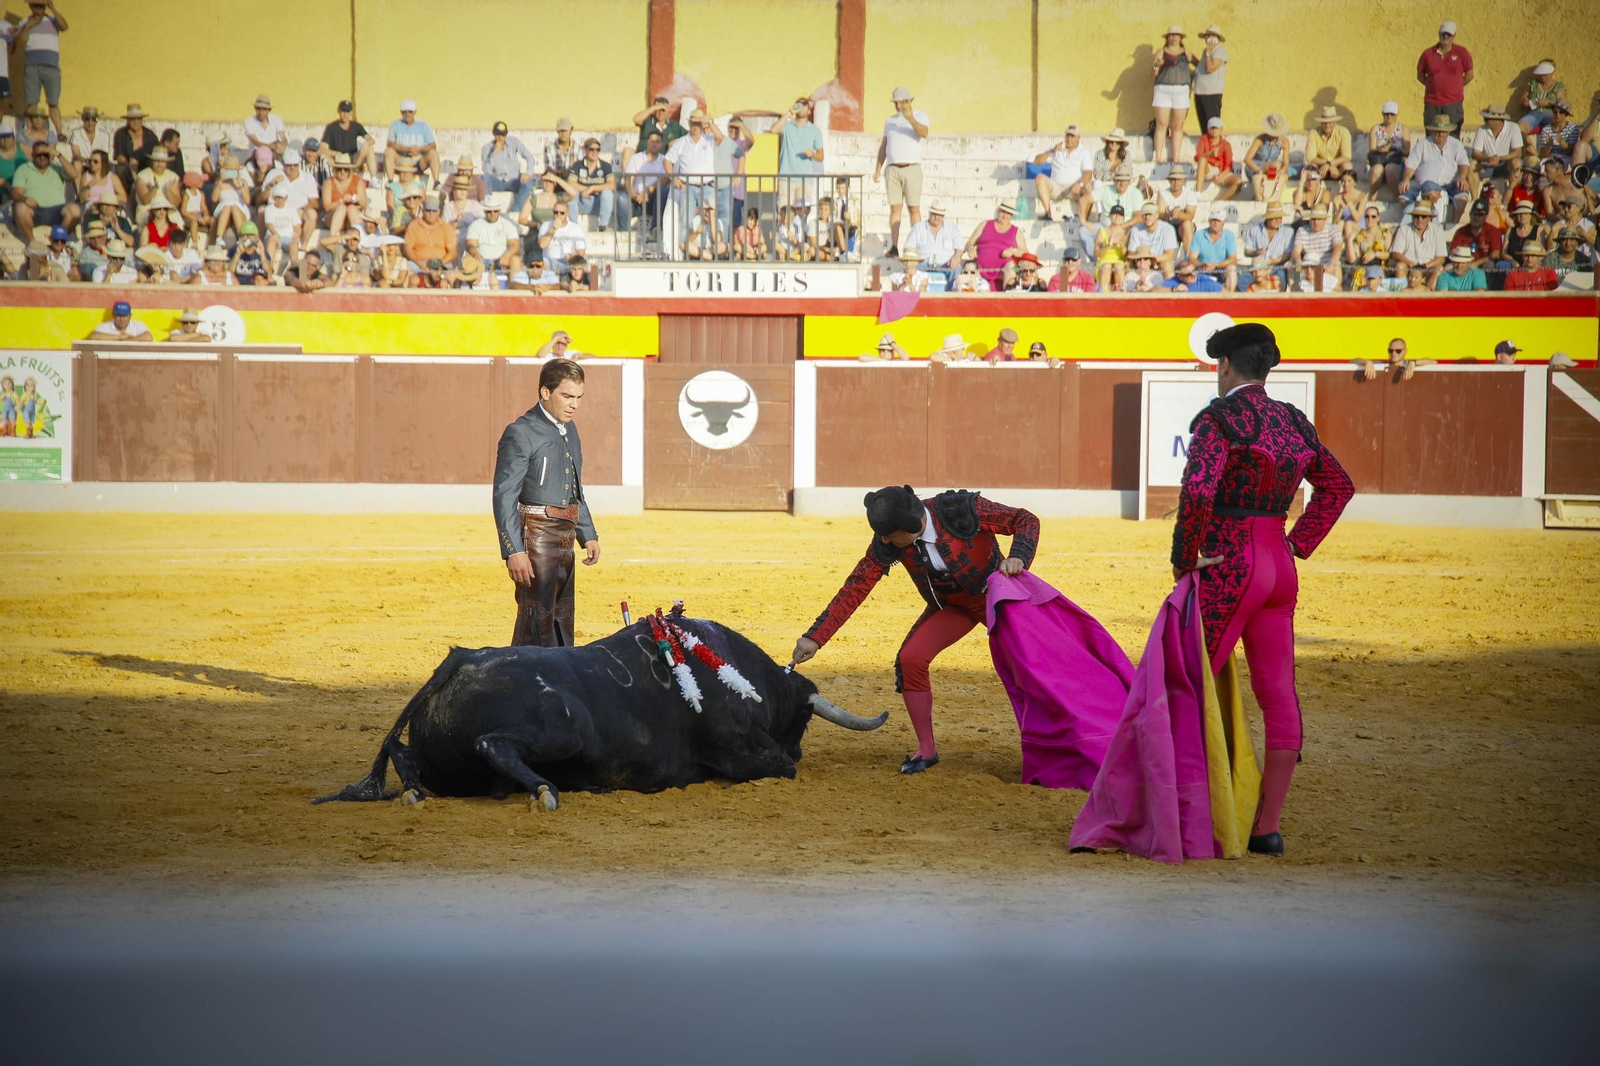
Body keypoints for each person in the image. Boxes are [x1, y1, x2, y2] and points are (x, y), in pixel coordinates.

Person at [1171, 323, 1353, 855]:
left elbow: (1199, 490)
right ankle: (1266, 827)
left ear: (1225, 366)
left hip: (1229, 562)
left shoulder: (1219, 418)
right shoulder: (1293, 419)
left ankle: (1183, 810)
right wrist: (1298, 541)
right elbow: (1338, 485)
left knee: (1186, 681)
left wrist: (1185, 556)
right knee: (1278, 694)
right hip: (1279, 562)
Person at [790, 486, 1038, 774]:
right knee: (911, 659)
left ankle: (1053, 743)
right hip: (951, 607)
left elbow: (1025, 519)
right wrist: (815, 637)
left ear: (912, 525)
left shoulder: (960, 509)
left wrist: (1018, 556)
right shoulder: (889, 540)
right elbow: (857, 586)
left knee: (1031, 666)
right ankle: (926, 750)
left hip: (997, 598)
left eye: (890, 536)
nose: (883, 541)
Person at [493, 358, 600, 647]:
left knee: (562, 618)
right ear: (545, 393)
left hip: (565, 537)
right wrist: (513, 550)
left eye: (578, 398)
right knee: (535, 621)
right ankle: (523, 687)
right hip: (536, 537)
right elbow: (504, 495)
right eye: (566, 396)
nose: (573, 404)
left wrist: (587, 534)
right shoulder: (521, 431)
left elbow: (575, 488)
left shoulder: (570, 429)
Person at [876, 86, 929, 253]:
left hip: (911, 167)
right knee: (895, 208)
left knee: (914, 207)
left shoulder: (920, 116)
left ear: (908, 101)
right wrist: (878, 167)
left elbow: (924, 133)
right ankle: (894, 246)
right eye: (896, 103)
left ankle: (919, 244)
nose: (898, 106)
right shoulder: (890, 121)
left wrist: (911, 119)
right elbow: (884, 145)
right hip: (893, 168)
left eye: (901, 102)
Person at [1399, 115, 1471, 221]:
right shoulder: (1422, 144)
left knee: (1463, 197)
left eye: (1443, 131)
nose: (1440, 134)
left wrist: (1462, 177)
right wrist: (1405, 179)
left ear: (1448, 132)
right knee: (1403, 197)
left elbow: (1464, 163)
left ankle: (1453, 225)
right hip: (1425, 187)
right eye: (1437, 131)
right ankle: (1415, 221)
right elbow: (1410, 165)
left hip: (1450, 185)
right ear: (1432, 131)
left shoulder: (1456, 145)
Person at [15, 1, 68, 137]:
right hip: (32, 67)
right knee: (31, 102)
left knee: (53, 102)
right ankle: (30, 131)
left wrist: (52, 8)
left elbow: (64, 26)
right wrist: (28, 26)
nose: (38, 8)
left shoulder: (52, 19)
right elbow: (19, 43)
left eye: (41, 5)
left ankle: (59, 132)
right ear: (30, 6)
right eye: (35, 5)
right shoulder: (24, 22)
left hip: (51, 67)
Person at [665, 108, 721, 227]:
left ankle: (712, 246)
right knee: (686, 222)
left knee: (711, 222)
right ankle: (686, 245)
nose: (695, 126)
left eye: (698, 123)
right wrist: (674, 178)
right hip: (688, 187)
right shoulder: (681, 142)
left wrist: (709, 123)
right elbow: (667, 160)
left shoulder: (709, 140)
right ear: (689, 124)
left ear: (702, 125)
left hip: (708, 186)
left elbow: (721, 138)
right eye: (693, 123)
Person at [12, 137, 79, 235]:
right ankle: (32, 242)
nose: (42, 157)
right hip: (35, 211)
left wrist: (58, 155)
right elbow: (15, 193)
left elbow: (74, 175)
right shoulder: (23, 169)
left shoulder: (56, 167)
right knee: (20, 208)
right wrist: (24, 199)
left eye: (45, 154)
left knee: (75, 209)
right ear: (33, 155)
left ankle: (60, 240)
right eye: (39, 155)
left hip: (58, 210)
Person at [1417, 20, 1473, 135]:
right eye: (1443, 34)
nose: (1445, 36)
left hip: (1453, 103)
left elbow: (1470, 74)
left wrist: (1456, 85)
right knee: (1432, 136)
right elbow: (1420, 75)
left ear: (1454, 36)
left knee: (1453, 136)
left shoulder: (1462, 53)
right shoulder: (1428, 54)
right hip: (1432, 103)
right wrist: (1432, 85)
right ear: (1439, 34)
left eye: (1449, 34)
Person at [1151, 25, 1194, 166]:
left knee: (1178, 125)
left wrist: (1191, 79)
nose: (1174, 37)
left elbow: (1199, 66)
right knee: (1162, 124)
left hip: (1181, 90)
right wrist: (1158, 65)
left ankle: (1176, 157)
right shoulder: (1161, 52)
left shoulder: (1186, 53)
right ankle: (1158, 156)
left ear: (1181, 38)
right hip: (1163, 88)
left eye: (1176, 35)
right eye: (1171, 35)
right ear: (1167, 38)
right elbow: (1153, 73)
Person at [1032, 123, 1092, 225]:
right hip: (1056, 187)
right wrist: (1052, 151)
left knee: (1089, 186)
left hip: (1074, 189)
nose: (1069, 138)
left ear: (1078, 138)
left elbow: (1088, 173)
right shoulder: (1056, 148)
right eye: (1067, 135)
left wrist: (1080, 184)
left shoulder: (1084, 151)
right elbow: (1036, 162)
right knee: (1039, 178)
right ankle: (1047, 213)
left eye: (1072, 136)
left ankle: (1083, 219)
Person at [964, 199, 1026, 289]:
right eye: (1002, 212)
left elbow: (1025, 253)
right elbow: (969, 242)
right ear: (998, 211)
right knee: (968, 267)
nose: (1004, 216)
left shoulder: (1016, 231)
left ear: (1011, 215)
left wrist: (1013, 251)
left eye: (1008, 213)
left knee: (1011, 267)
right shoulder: (985, 224)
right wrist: (970, 248)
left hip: (1003, 270)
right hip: (980, 267)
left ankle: (1009, 297)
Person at [482, 120, 538, 215]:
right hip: (498, 181)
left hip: (514, 180)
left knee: (528, 183)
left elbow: (529, 156)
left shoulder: (513, 142)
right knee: (485, 178)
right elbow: (486, 170)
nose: (500, 138)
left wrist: (528, 172)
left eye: (502, 135)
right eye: (497, 135)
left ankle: (515, 210)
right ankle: (489, 205)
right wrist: (494, 154)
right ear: (493, 135)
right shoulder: (487, 148)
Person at [1470, 105, 1524, 201]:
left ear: (1498, 120)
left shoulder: (1513, 127)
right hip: (1487, 166)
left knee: (1516, 163)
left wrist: (1500, 158)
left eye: (1487, 118)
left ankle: (1508, 200)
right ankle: (1475, 200)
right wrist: (1488, 159)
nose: (1484, 120)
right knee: (1471, 164)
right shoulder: (1481, 129)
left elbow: (1518, 152)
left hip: (1506, 167)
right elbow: (1475, 153)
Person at [773, 96, 824, 196]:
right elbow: (773, 130)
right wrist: (789, 112)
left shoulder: (815, 130)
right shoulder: (787, 126)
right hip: (786, 178)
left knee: (802, 211)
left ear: (809, 111)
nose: (801, 105)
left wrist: (812, 154)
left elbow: (821, 156)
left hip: (805, 179)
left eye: (804, 103)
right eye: (798, 103)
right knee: (784, 211)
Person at [1389, 201, 1448, 281]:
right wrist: (1410, 263)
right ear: (1412, 217)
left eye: (1423, 216)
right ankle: (1402, 292)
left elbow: (1441, 258)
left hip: (1428, 268)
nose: (1420, 219)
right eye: (1416, 216)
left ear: (1429, 218)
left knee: (1439, 269)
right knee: (1400, 266)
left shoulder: (1437, 231)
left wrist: (1426, 266)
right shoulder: (1404, 229)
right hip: (1408, 267)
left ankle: (1430, 291)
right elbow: (1396, 253)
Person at [1240, 204, 1293, 290]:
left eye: (1280, 218)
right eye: (1275, 218)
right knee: (1241, 280)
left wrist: (1273, 261)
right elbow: (1247, 251)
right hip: (1257, 268)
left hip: (1277, 267)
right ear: (1267, 218)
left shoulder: (1288, 231)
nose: (1278, 220)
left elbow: (1288, 254)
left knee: (1281, 279)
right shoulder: (1255, 230)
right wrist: (1256, 252)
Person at [386, 99, 439, 184]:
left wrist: (420, 149)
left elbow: (433, 145)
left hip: (418, 160)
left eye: (410, 111)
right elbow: (390, 143)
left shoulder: (423, 125)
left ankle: (436, 181)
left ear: (414, 112)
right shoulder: (395, 124)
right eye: (404, 112)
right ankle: (390, 181)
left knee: (433, 153)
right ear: (401, 112)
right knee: (388, 152)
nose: (407, 114)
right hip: (401, 159)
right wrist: (406, 149)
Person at [571, 137, 616, 231]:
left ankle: (602, 226)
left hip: (598, 202)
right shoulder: (577, 165)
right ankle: (573, 228)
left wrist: (592, 188)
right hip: (582, 201)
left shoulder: (605, 166)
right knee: (570, 194)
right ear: (585, 150)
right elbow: (571, 183)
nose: (595, 152)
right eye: (592, 149)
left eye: (598, 149)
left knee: (607, 193)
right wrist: (585, 190)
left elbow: (612, 185)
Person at [467, 193, 521, 273]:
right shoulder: (476, 225)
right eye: (489, 211)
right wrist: (475, 253)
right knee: (468, 261)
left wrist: (507, 255)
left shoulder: (507, 225)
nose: (492, 214)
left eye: (495, 211)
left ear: (499, 211)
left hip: (502, 259)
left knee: (515, 260)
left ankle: (515, 284)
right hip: (481, 259)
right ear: (485, 211)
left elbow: (515, 245)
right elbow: (470, 244)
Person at [1366, 101, 1410, 197]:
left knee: (1390, 169)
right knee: (1376, 170)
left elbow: (1407, 152)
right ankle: (1372, 198)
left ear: (1396, 114)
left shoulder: (1403, 129)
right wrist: (1380, 149)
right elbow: (1371, 149)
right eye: (1386, 114)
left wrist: (1393, 148)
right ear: (1382, 113)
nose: (1389, 116)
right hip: (1379, 160)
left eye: (1392, 114)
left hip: (1395, 161)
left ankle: (1396, 197)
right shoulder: (1375, 128)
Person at [403, 191, 456, 269]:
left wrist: (441, 263)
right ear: (423, 210)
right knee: (407, 270)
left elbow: (453, 251)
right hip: (418, 263)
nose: (431, 213)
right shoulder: (414, 225)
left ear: (439, 212)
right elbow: (407, 248)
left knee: (452, 276)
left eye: (434, 211)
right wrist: (419, 263)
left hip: (441, 263)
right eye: (428, 210)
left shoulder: (445, 227)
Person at [1291, 206, 1339, 290]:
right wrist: (1299, 262)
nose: (1315, 222)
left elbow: (1337, 248)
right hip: (1307, 263)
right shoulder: (1302, 230)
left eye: (1319, 219)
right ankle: (1295, 290)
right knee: (1292, 265)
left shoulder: (1333, 229)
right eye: (1313, 219)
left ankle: (1334, 293)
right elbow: (1295, 251)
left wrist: (1331, 263)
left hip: (1326, 263)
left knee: (1336, 266)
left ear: (1325, 220)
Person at [320, 99, 373, 176]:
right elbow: (322, 148)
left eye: (347, 112)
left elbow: (371, 140)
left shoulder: (356, 126)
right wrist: (336, 154)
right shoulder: (331, 127)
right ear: (338, 111)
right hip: (337, 159)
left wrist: (365, 144)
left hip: (353, 158)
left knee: (369, 148)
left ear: (351, 113)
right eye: (343, 111)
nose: (345, 114)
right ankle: (329, 177)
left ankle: (373, 178)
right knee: (323, 156)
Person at [1189, 208, 1238, 291]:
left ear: (1223, 223)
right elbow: (1192, 258)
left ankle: (1229, 298)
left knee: (1231, 270)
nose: (1215, 223)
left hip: (1221, 269)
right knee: (1188, 267)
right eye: (1213, 220)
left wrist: (1215, 265)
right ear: (1209, 221)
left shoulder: (1229, 235)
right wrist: (1203, 264)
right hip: (1202, 268)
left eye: (1218, 221)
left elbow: (1232, 259)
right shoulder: (1199, 235)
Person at [1127, 201, 1179, 278]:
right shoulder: (1135, 229)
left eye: (1150, 214)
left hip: (1159, 262)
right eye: (1144, 215)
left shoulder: (1167, 228)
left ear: (1156, 215)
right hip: (1141, 262)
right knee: (1125, 266)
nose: (1147, 217)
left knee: (1167, 265)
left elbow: (1170, 255)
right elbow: (1131, 254)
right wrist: (1145, 263)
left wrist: (1152, 261)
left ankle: (1169, 289)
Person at [1245, 114, 1289, 203]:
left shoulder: (1284, 142)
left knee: (1284, 175)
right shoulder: (1260, 140)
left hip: (1272, 170)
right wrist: (1259, 170)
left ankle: (1271, 196)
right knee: (1276, 164)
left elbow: (1286, 163)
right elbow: (1247, 159)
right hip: (1255, 166)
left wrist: (1281, 172)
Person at [1194, 117, 1241, 200]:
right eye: (1212, 128)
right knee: (1202, 159)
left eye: (1216, 128)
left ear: (1221, 129)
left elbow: (1228, 165)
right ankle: (1198, 193)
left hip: (1221, 171)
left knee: (1238, 181)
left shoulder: (1226, 144)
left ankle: (1220, 201)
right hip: (1207, 169)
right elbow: (1198, 157)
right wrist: (1210, 154)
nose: (1214, 130)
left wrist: (1221, 175)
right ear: (1208, 129)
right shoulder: (1204, 139)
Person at [321, 152, 366, 238]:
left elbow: (364, 205)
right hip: (333, 216)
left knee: (350, 208)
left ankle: (358, 237)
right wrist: (341, 201)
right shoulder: (328, 182)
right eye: (339, 169)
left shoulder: (357, 181)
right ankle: (332, 237)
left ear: (349, 170)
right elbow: (327, 207)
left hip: (351, 216)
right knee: (342, 208)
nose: (342, 172)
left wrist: (357, 200)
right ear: (335, 169)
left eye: (345, 169)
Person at [1192, 25, 1228, 130]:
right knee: (1204, 125)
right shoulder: (1205, 52)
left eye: (1212, 36)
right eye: (1207, 36)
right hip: (1200, 92)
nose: (1208, 38)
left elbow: (1210, 68)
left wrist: (1208, 52)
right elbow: (1201, 68)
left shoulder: (1220, 51)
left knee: (1212, 125)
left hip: (1211, 93)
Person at [1156, 164, 1200, 250]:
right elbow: (1160, 214)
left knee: (1187, 224)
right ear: (1169, 180)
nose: (1176, 182)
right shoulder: (1163, 194)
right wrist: (1170, 214)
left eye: (1178, 179)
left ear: (1183, 180)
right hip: (1168, 224)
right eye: (1173, 179)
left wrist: (1179, 214)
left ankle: (1188, 256)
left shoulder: (1189, 194)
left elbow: (1190, 216)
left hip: (1182, 227)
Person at [1304, 106, 1353, 180]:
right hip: (1320, 167)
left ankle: (1345, 188)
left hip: (1338, 168)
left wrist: (1330, 164)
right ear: (1321, 122)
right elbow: (1310, 158)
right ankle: (1315, 189)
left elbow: (1346, 157)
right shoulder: (1313, 133)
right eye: (1324, 122)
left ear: (1335, 122)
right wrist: (1327, 164)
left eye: (1330, 122)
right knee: (1311, 167)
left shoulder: (1343, 132)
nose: (1327, 125)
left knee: (1348, 166)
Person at [1518, 60, 1567, 135]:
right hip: (1533, 114)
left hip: (1550, 114)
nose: (1542, 76)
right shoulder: (1533, 83)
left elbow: (1562, 105)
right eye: (1540, 74)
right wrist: (1526, 102)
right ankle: (1528, 144)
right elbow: (1521, 100)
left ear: (1551, 72)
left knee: (1558, 127)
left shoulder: (1558, 85)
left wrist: (1548, 103)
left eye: (1545, 74)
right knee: (1520, 127)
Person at [539, 201, 587, 277]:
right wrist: (554, 228)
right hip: (549, 261)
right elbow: (542, 245)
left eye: (562, 213)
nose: (558, 215)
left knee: (578, 267)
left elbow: (581, 252)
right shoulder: (546, 225)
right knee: (538, 264)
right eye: (556, 212)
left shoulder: (575, 228)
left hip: (567, 262)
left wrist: (572, 256)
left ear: (567, 213)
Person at [1094, 204, 1129, 290]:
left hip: (1120, 261)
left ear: (1123, 217)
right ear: (1110, 216)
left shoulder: (1127, 232)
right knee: (1106, 266)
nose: (1117, 217)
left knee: (1118, 267)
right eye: (1114, 214)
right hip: (1104, 260)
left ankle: (1120, 295)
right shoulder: (1102, 231)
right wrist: (1108, 246)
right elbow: (1096, 253)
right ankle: (1103, 295)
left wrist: (1121, 246)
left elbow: (1127, 256)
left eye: (1120, 215)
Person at [88, 300, 152, 340]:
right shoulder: (106, 325)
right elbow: (93, 336)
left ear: (130, 316)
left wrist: (128, 340)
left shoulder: (137, 325)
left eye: (124, 316)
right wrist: (119, 337)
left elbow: (148, 337)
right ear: (113, 315)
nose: (121, 319)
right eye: (118, 315)